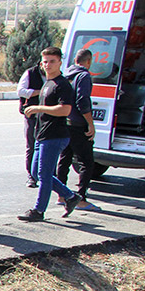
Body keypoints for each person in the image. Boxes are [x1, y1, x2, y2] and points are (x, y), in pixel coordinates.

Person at [19, 47, 82, 222]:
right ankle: (70, 197)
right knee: (36, 172)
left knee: (44, 174)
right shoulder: (47, 83)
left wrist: (38, 108)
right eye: (45, 61)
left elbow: (65, 110)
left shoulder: (63, 85)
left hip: (55, 135)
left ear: (60, 63)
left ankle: (39, 211)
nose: (48, 65)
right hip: (42, 134)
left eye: (52, 61)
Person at [56, 49, 98, 210]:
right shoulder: (84, 76)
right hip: (79, 125)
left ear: (75, 59)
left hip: (65, 123)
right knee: (86, 162)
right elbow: (82, 101)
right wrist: (90, 123)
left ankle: (61, 195)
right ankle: (81, 198)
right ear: (89, 61)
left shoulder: (67, 74)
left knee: (65, 159)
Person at [18, 62, 45, 187]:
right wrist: (39, 92)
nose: (47, 66)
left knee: (47, 147)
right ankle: (31, 176)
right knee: (32, 145)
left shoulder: (56, 75)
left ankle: (48, 176)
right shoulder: (30, 73)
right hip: (32, 115)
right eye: (45, 62)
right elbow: (21, 91)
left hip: (48, 116)